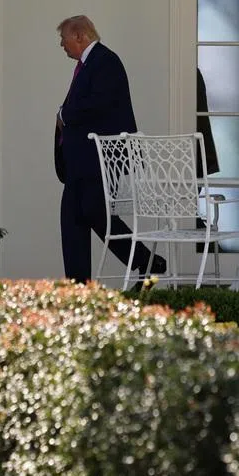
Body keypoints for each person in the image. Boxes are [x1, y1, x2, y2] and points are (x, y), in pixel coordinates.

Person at [53, 15, 165, 284]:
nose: (61, 44)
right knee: (73, 220)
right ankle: (78, 287)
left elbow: (99, 103)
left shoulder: (105, 61)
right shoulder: (90, 64)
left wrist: (64, 115)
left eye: (64, 38)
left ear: (80, 36)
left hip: (97, 161)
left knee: (92, 213)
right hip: (79, 163)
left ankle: (146, 261)